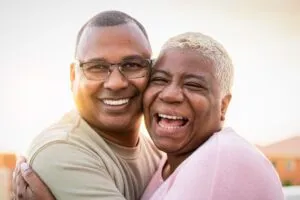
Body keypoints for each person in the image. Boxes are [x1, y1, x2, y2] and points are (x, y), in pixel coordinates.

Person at [13, 31, 284, 199]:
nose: (170, 94)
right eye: (160, 79)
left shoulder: (224, 158)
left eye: (193, 85)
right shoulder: (164, 164)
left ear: (223, 106)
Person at [11, 10, 162, 200]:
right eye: (97, 67)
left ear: (152, 71)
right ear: (73, 76)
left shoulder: (157, 150)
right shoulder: (60, 153)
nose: (116, 83)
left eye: (132, 65)